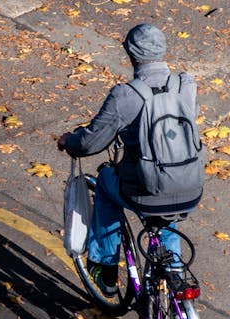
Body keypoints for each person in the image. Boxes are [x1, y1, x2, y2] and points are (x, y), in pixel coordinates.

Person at [57, 24, 203, 294]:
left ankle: (105, 267)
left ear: (130, 54)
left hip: (144, 190)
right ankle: (174, 277)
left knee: (105, 184)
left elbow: (90, 143)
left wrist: (69, 142)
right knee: (166, 213)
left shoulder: (126, 95)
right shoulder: (186, 84)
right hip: (190, 187)